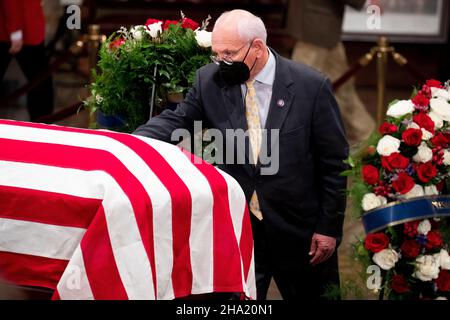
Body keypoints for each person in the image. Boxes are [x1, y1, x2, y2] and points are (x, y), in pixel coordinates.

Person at [134, 9, 349, 300]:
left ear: (257, 48)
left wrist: (329, 228)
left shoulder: (311, 86)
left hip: (301, 232)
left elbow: (335, 165)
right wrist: (131, 141)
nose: (221, 61)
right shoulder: (209, 79)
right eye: (217, 53)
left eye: (229, 53)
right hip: (240, 229)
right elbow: (178, 120)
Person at [286, 0, 379, 145]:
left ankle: (367, 135)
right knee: (300, 90)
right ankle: (290, 143)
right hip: (316, 26)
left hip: (321, 25)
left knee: (342, 85)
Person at [0, 0, 54, 121]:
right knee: (42, 88)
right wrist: (15, 31)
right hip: (21, 28)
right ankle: (41, 130)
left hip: (23, 24)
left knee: (40, 87)